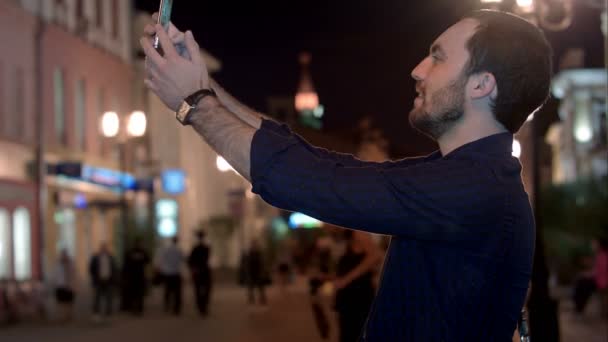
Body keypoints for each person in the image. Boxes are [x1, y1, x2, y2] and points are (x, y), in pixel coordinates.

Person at [141, 8, 552, 340]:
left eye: (438, 56)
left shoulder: (473, 189)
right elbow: (326, 166)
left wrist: (194, 103)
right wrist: (201, 86)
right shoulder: (465, 177)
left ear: (482, 85)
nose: (418, 69)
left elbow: (317, 184)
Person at [334, 230, 382, 342]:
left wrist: (345, 280)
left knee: (355, 334)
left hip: (358, 296)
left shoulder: (358, 232)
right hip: (349, 297)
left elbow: (376, 255)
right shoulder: (346, 235)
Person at [89, 243, 116, 322]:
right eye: (102, 248)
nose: (104, 249)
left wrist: (113, 279)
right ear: (100, 249)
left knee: (109, 297)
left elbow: (114, 269)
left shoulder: (110, 258)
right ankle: (96, 314)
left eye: (105, 248)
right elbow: (91, 268)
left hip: (108, 280)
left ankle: (108, 313)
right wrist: (94, 278)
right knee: (97, 297)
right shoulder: (95, 257)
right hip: (98, 280)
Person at [123, 238, 150, 316]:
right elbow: (147, 260)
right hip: (136, 276)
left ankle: (137, 309)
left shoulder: (140, 252)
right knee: (136, 293)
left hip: (136, 276)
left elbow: (147, 260)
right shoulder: (136, 252)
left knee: (137, 294)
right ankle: (137, 309)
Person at [188, 230, 212, 317]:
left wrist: (192, 269)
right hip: (205, 270)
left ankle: (200, 306)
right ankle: (203, 306)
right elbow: (207, 258)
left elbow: (190, 260)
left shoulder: (195, 248)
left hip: (198, 271)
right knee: (206, 289)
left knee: (198, 289)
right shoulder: (207, 248)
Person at [158, 236, 183, 315]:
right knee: (177, 292)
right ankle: (176, 308)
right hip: (176, 273)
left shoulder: (166, 250)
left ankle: (167, 305)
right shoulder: (179, 250)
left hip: (168, 273)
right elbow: (184, 259)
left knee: (168, 290)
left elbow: (161, 260)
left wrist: (161, 269)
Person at [53, 249, 76, 323]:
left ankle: (68, 316)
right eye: (62, 255)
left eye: (64, 255)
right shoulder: (58, 264)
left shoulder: (71, 264)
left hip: (69, 285)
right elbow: (55, 274)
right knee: (60, 302)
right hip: (60, 285)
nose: (63, 256)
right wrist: (55, 283)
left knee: (69, 302)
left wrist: (73, 284)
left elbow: (73, 274)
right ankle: (62, 316)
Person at [242, 240, 268, 306]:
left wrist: (263, 271)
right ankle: (251, 298)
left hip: (258, 272)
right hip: (251, 272)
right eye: (253, 244)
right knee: (250, 286)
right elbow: (247, 264)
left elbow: (262, 263)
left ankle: (262, 299)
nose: (254, 246)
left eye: (255, 244)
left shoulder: (259, 253)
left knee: (260, 286)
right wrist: (247, 272)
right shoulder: (249, 253)